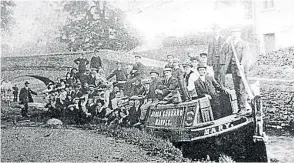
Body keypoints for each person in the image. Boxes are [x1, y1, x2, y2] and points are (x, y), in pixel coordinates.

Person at [220, 28, 253, 114]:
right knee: (236, 88)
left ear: (239, 33)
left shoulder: (244, 44)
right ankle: (239, 107)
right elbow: (222, 51)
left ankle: (243, 108)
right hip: (233, 68)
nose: (234, 35)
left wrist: (242, 64)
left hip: (241, 69)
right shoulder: (230, 43)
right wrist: (226, 42)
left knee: (241, 87)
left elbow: (245, 56)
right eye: (232, 33)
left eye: (235, 33)